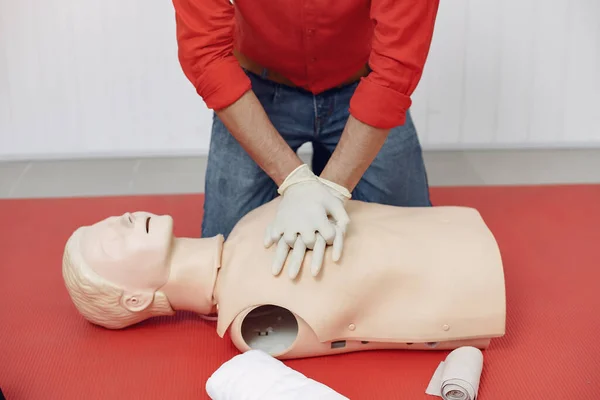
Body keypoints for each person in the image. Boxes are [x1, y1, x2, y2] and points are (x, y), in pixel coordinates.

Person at [171, 0, 440, 278]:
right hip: (257, 89)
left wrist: (331, 190)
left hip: (363, 87)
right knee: (222, 269)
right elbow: (206, 53)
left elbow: (396, 66)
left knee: (416, 260)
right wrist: (295, 181)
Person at [61, 198, 506, 360]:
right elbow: (363, 329)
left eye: (110, 221)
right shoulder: (248, 319)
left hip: (454, 236)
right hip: (473, 287)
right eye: (110, 241)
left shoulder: (245, 227)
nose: (122, 218)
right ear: (136, 300)